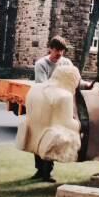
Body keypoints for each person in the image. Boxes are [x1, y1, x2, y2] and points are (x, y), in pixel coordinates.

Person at [32, 35, 73, 182]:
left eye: (62, 51)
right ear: (50, 48)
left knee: (52, 137)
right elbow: (44, 86)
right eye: (57, 50)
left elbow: (73, 79)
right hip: (43, 104)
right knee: (39, 137)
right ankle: (40, 170)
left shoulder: (67, 63)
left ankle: (47, 171)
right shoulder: (41, 64)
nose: (59, 54)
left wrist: (86, 85)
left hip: (59, 106)